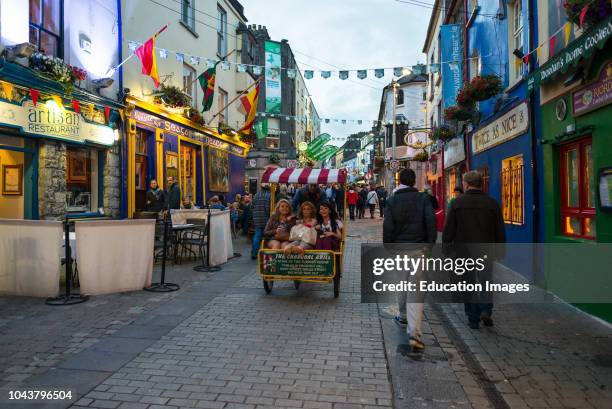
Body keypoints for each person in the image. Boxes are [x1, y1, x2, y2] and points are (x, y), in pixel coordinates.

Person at [442, 171, 505, 329]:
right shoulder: (492, 203)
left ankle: (473, 318)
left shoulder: (457, 203)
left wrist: (446, 248)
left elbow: (449, 229)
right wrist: (500, 250)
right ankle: (485, 309)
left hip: (464, 251)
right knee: (485, 281)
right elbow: (499, 229)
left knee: (468, 283)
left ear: (467, 184)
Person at [383, 168, 436, 352]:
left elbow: (388, 226)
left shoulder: (392, 201)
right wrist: (429, 246)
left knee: (401, 283)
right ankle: (415, 332)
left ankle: (403, 314)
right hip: (419, 250)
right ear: (414, 181)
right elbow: (431, 222)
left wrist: (389, 247)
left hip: (400, 250)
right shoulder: (423, 199)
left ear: (400, 182)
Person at [251, 185, 271, 259]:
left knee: (257, 235)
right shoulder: (269, 195)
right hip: (266, 218)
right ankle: (266, 253)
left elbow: (251, 206)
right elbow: (270, 208)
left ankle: (254, 252)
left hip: (257, 218)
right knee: (267, 236)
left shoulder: (256, 195)